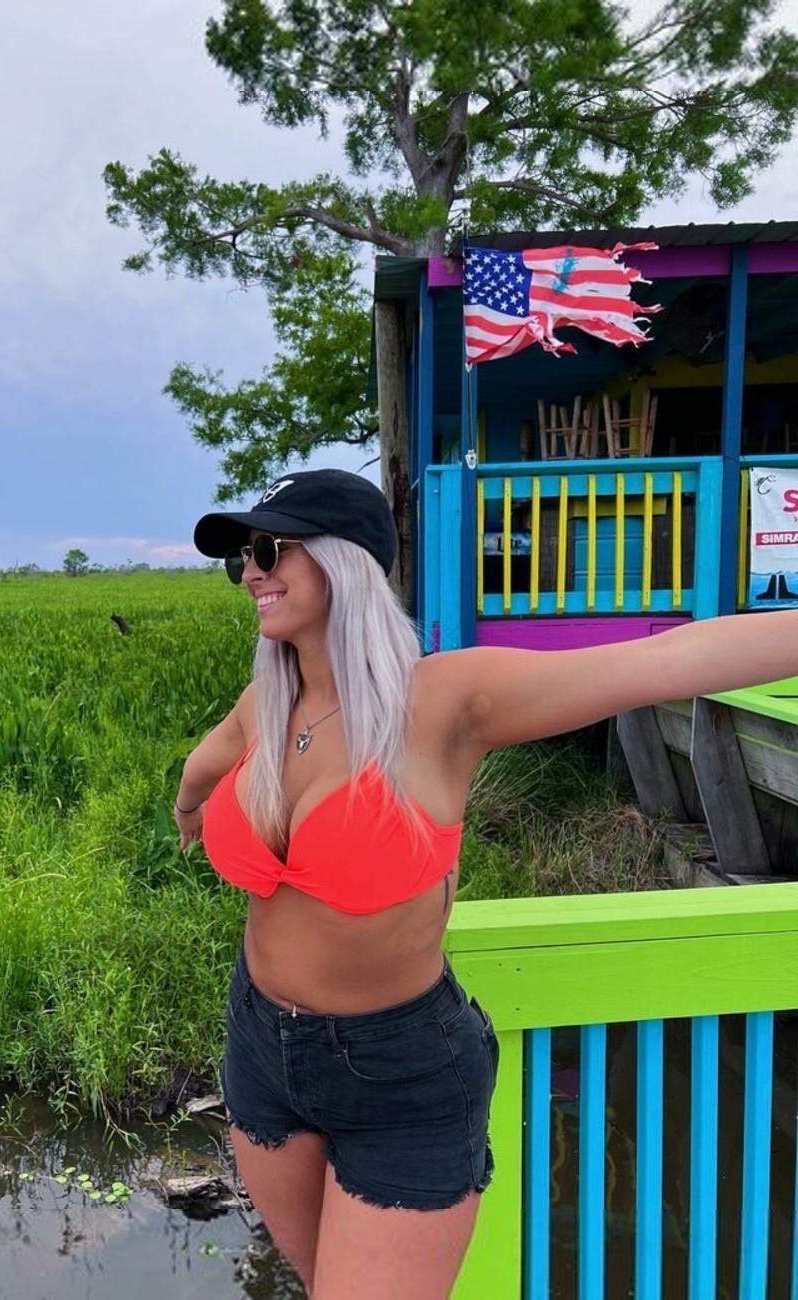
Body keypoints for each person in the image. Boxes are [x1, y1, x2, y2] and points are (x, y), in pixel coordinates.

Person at [174, 466, 789, 1298]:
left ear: (345, 561)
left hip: (399, 1072)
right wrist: (191, 811)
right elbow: (205, 762)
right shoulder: (267, 701)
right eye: (241, 557)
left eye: (270, 551)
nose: (250, 572)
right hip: (260, 1045)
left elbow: (665, 661)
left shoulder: (444, 701)